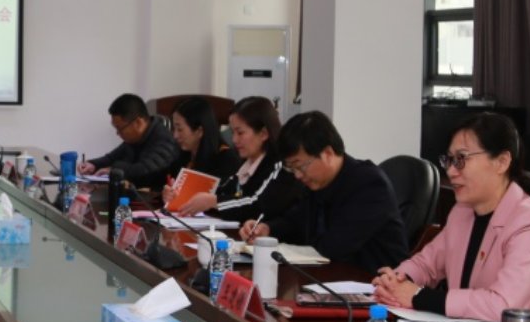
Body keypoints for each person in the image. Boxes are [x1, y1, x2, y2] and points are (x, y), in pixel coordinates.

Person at [373, 112, 530, 322]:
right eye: (449, 160)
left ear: (502, 162)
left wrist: (419, 296)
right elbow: (426, 264)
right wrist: (396, 281)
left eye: (461, 159)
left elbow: (504, 305)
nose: (451, 171)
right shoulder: (462, 212)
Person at [241, 111, 409, 272]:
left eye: (300, 166)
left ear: (328, 153)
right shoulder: (316, 183)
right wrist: (267, 229)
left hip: (372, 281)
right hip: (330, 276)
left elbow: (335, 247)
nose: (298, 175)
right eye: (291, 168)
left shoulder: (369, 185)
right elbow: (296, 221)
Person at [174, 96, 300, 223]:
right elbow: (225, 191)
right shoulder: (247, 164)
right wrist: (179, 194)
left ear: (263, 134)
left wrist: (214, 202)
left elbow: (257, 205)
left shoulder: (280, 165)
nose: (234, 140)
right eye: (232, 132)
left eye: (240, 133)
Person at [81, 94, 180, 190]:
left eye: (120, 128)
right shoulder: (135, 138)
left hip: (154, 197)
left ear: (138, 123)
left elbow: (144, 171)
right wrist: (93, 164)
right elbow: (112, 158)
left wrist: (113, 170)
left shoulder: (165, 140)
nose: (117, 133)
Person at [169, 96, 241, 181]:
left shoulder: (226, 161)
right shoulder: (181, 153)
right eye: (174, 128)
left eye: (180, 129)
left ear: (200, 131)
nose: (175, 135)